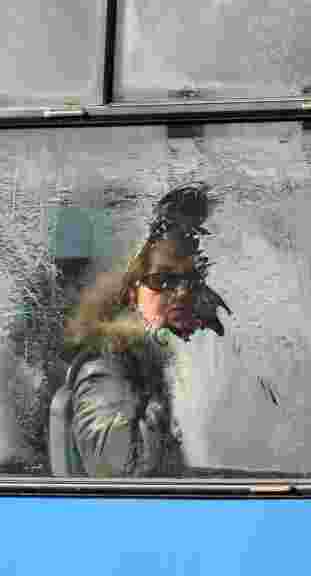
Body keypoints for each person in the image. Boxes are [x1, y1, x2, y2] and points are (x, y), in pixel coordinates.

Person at [61, 184, 231, 477]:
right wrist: (175, 396)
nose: (179, 293)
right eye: (162, 280)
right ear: (131, 292)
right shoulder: (105, 367)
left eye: (189, 280)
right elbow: (122, 473)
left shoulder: (209, 350)